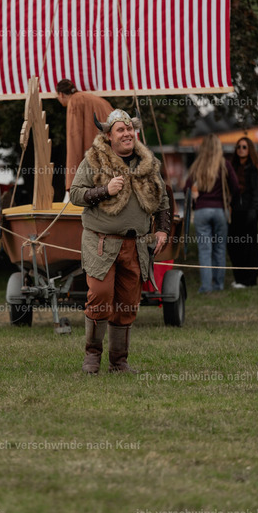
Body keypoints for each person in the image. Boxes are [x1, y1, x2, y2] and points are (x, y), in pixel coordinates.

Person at [69, 109, 171, 374]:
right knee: (100, 296)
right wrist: (105, 190)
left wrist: (162, 230)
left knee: (127, 303)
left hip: (135, 245)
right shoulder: (94, 159)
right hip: (101, 242)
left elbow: (162, 199)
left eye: (129, 129)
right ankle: (92, 357)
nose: (127, 134)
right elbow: (76, 194)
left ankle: (119, 362)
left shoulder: (147, 162)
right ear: (109, 136)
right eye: (120, 130)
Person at [184, 134, 239, 294]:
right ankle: (218, 285)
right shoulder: (224, 164)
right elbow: (235, 186)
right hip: (220, 210)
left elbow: (186, 188)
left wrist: (196, 200)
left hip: (202, 211)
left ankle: (206, 286)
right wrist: (231, 201)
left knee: (205, 250)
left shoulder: (197, 165)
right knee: (219, 249)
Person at [56, 79, 113, 192]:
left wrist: (73, 182)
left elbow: (74, 139)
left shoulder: (74, 101)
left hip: (96, 161)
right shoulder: (96, 100)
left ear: (61, 94)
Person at [227, 136, 258, 288]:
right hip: (235, 210)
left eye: (244, 147)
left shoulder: (254, 168)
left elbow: (256, 193)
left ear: (249, 150)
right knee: (233, 244)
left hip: (249, 211)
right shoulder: (232, 167)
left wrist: (254, 211)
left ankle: (249, 280)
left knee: (249, 246)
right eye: (238, 147)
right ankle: (240, 278)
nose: (241, 150)